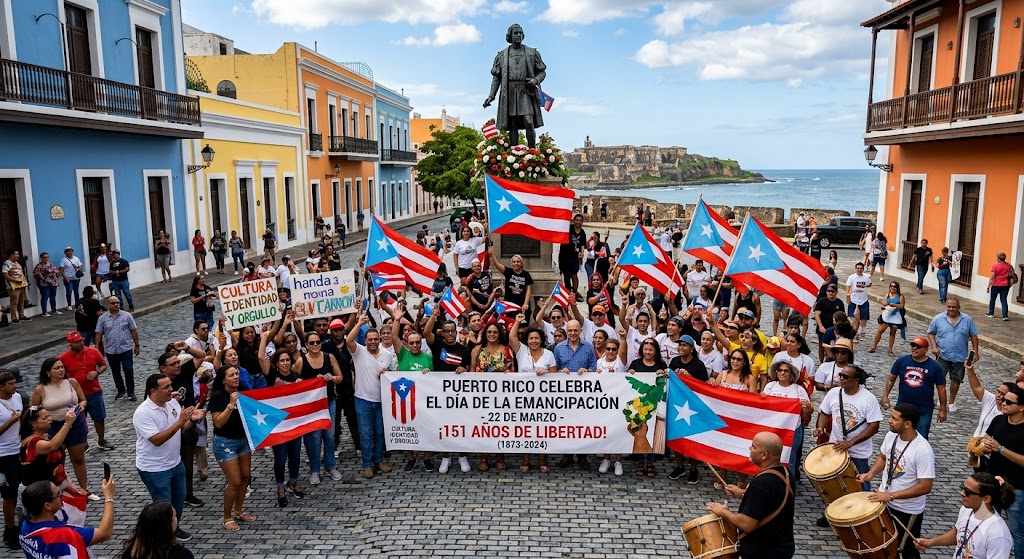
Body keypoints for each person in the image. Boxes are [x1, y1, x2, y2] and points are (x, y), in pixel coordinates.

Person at [856, 404, 935, 559]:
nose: (889, 421)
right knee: (884, 546)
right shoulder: (891, 436)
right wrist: (870, 474)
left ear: (908, 424)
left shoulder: (923, 450)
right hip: (885, 503)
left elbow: (926, 486)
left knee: (906, 551)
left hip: (906, 510)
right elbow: (883, 457)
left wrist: (890, 496)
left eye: (894, 418)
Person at [133, 373, 203, 541]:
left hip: (175, 464)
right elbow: (157, 440)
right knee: (163, 506)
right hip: (155, 469)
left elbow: (183, 427)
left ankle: (173, 527)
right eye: (166, 387)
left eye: (170, 385)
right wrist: (179, 423)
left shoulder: (172, 403)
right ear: (153, 391)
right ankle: (163, 539)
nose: (171, 390)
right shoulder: (143, 413)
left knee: (179, 499)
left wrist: (192, 420)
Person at [812, 364, 882, 527]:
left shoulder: (868, 398)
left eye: (845, 377)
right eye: (840, 375)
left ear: (856, 381)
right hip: (836, 448)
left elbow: (874, 426)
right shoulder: (834, 393)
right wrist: (820, 427)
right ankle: (833, 512)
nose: (840, 379)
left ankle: (866, 516)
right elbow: (824, 412)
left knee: (861, 482)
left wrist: (850, 443)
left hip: (858, 452)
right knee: (834, 484)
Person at [705, 432, 794, 559]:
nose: (750, 449)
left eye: (753, 447)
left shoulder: (761, 484)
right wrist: (743, 493)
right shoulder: (785, 473)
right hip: (781, 547)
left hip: (763, 552)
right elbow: (772, 497)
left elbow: (746, 524)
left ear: (764, 455)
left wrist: (723, 512)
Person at [30, 358, 92, 498]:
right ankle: (58, 490)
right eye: (57, 368)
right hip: (53, 426)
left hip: (75, 424)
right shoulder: (40, 389)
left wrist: (81, 406)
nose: (61, 370)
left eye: (62, 367)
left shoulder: (72, 383)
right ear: (48, 372)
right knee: (57, 459)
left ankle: (84, 490)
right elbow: (33, 411)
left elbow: (83, 399)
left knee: (78, 458)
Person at [913, 472, 1014, 559]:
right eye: (963, 487)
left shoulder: (998, 535)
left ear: (986, 499)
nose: (962, 493)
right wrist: (930, 542)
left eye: (968, 492)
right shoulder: (966, 510)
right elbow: (959, 532)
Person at [257, 331, 306, 504]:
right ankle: (280, 486)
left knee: (295, 456)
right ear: (277, 363)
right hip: (277, 425)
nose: (285, 363)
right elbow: (262, 358)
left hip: (294, 424)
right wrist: (264, 337)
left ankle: (293, 482)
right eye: (282, 360)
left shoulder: (297, 377)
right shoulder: (272, 376)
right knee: (280, 458)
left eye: (287, 360)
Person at [483, 23, 547, 148]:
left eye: (520, 33)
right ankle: (514, 153)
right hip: (509, 91)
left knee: (529, 121)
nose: (518, 35)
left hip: (526, 91)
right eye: (515, 33)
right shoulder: (501, 55)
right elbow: (496, 77)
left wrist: (536, 80)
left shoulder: (531, 52)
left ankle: (532, 152)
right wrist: (491, 96)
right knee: (513, 124)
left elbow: (542, 71)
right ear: (510, 36)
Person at [347, 314, 395, 480]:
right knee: (366, 434)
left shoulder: (387, 354)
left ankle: (379, 460)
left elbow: (393, 374)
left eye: (376, 339)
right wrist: (359, 323)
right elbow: (348, 341)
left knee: (380, 432)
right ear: (365, 340)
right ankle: (367, 464)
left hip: (381, 401)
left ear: (379, 339)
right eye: (370, 339)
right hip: (363, 400)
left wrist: (388, 372)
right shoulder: (358, 352)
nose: (373, 342)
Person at [207, 365, 254, 532]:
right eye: (231, 375)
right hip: (225, 443)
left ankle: (239, 510)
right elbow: (218, 422)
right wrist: (231, 405)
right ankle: (227, 517)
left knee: (245, 476)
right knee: (234, 481)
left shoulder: (243, 390)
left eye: (237, 374)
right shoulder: (219, 396)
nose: (235, 377)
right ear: (223, 379)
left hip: (243, 440)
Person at [18, 478, 116, 558]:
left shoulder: (25, 527)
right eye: (58, 495)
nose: (62, 497)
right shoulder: (64, 535)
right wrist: (109, 496)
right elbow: (104, 533)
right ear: (47, 506)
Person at [293, 331, 343, 484]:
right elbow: (295, 382)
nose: (315, 345)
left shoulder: (329, 357)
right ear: (306, 345)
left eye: (318, 342)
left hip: (329, 402)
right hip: (311, 407)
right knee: (314, 438)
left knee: (329, 436)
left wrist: (332, 378)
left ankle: (330, 466)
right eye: (312, 343)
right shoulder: (301, 361)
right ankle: (315, 470)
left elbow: (340, 377)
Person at [980, 384, 1024, 553]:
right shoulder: (998, 420)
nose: (1003, 403)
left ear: (1021, 407)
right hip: (992, 484)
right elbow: (987, 438)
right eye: (1003, 399)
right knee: (986, 525)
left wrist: (1000, 449)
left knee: (1017, 533)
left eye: (1008, 401)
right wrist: (984, 446)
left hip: (1017, 487)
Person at [883, 337, 947, 439]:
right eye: (913, 346)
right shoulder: (902, 361)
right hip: (902, 408)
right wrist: (885, 396)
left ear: (926, 349)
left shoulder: (935, 366)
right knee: (897, 435)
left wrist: (942, 409)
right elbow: (891, 379)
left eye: (918, 346)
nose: (914, 348)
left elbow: (941, 388)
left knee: (921, 437)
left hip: (924, 409)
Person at [58, 331, 113, 451]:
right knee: (79, 420)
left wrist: (96, 372)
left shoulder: (93, 352)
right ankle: (82, 442)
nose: (80, 343)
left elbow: (103, 365)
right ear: (70, 344)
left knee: (99, 417)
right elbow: (57, 371)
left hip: (94, 391)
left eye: (81, 340)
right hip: (75, 395)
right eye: (76, 342)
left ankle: (101, 440)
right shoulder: (63, 358)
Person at [927, 297, 979, 413]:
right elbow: (931, 333)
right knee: (940, 378)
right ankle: (942, 398)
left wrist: (975, 351)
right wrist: (934, 347)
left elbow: (974, 336)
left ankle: (951, 401)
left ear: (959, 307)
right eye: (949, 306)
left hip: (960, 356)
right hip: (943, 354)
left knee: (956, 380)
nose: (951, 309)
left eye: (953, 307)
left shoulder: (967, 320)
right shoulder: (939, 319)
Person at [95, 295, 141, 401]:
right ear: (108, 305)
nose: (116, 304)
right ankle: (120, 390)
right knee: (115, 371)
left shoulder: (127, 316)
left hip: (125, 348)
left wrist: (137, 345)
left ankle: (131, 392)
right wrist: (97, 347)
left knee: (128, 369)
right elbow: (99, 333)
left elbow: (133, 331)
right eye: (113, 303)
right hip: (111, 349)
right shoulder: (103, 318)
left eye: (117, 302)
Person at [120, 501, 195, 559]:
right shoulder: (182, 555)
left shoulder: (131, 553)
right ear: (168, 525)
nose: (177, 518)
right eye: (174, 516)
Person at [0, 372, 21, 549]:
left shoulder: (18, 397)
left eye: (15, 383)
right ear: (1, 387)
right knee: (9, 494)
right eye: (10, 384)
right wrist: (11, 421)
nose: (15, 386)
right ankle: (9, 528)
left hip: (19, 450)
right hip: (3, 455)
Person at [869, 281, 906, 356]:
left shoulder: (900, 296)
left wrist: (895, 305)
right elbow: (883, 302)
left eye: (894, 286)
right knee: (880, 330)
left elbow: (902, 305)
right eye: (891, 286)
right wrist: (885, 305)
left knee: (892, 333)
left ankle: (890, 349)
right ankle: (874, 346)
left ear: (897, 288)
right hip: (887, 315)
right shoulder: (887, 295)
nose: (892, 288)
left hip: (895, 315)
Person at [813, 283, 844, 362]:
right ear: (826, 292)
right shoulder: (821, 301)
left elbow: (842, 316)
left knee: (835, 345)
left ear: (836, 292)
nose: (830, 293)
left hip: (835, 329)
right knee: (821, 345)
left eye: (832, 291)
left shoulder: (839, 303)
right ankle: (821, 362)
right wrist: (820, 326)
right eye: (829, 291)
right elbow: (817, 314)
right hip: (823, 327)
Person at [559, 214, 586, 295]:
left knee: (574, 273)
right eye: (577, 220)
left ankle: (574, 292)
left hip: (575, 256)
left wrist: (582, 253)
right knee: (566, 274)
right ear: (574, 221)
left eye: (580, 221)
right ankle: (567, 291)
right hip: (564, 254)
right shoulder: (568, 228)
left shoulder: (582, 233)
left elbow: (582, 244)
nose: (578, 222)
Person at [845, 262, 871, 342]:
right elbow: (848, 288)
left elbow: (869, 284)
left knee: (864, 318)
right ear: (855, 269)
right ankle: (854, 334)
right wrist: (848, 298)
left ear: (863, 269)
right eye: (858, 268)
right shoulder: (851, 277)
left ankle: (863, 334)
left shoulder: (866, 277)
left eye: (861, 268)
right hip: (854, 300)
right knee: (854, 318)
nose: (859, 269)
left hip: (863, 300)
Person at [985, 251, 1014, 320]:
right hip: (1005, 285)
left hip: (996, 285)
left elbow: (992, 277)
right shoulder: (1009, 266)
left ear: (999, 259)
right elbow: (1012, 276)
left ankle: (991, 313)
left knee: (993, 299)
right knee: (1004, 300)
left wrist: (988, 286)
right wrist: (1010, 285)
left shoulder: (996, 266)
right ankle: (1005, 315)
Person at [2, 250, 30, 323]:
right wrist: (15, 281)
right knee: (14, 303)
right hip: (13, 286)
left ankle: (21, 316)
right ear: (11, 255)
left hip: (21, 285)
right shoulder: (7, 264)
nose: (18, 256)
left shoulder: (16, 263)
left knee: (21, 301)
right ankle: (14, 318)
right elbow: (5, 275)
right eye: (16, 254)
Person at [32, 252, 61, 317]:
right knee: (45, 297)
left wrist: (56, 277)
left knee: (53, 297)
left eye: (47, 257)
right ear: (41, 258)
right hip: (44, 284)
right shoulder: (39, 266)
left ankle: (54, 310)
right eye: (44, 257)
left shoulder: (52, 265)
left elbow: (56, 272)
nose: (46, 258)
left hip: (53, 283)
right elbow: (35, 274)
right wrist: (43, 278)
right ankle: (44, 312)